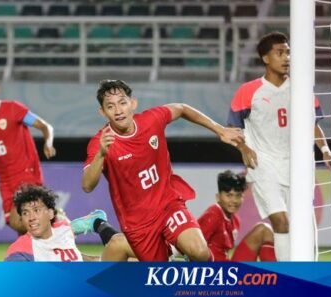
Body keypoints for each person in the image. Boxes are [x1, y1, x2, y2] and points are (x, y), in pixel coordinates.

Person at [81, 79, 244, 262]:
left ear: (133, 103)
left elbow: (181, 108)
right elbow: (87, 185)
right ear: (102, 112)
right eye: (110, 106)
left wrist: (219, 129)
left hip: (168, 205)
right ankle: (98, 242)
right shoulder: (100, 142)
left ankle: (209, 284)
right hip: (138, 225)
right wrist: (101, 154)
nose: (118, 111)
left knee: (199, 251)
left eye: (122, 103)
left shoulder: (152, 120)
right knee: (160, 276)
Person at [227, 32, 331, 261]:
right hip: (264, 164)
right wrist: (244, 149)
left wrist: (325, 150)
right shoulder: (248, 91)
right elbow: (233, 129)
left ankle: (307, 275)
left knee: (305, 225)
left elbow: (313, 124)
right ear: (266, 58)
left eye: (288, 52)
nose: (286, 57)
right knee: (281, 220)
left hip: (297, 165)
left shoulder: (302, 89)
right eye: (280, 52)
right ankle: (289, 276)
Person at [0, 71, 56, 234]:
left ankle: (59, 222)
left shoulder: (13, 109)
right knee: (18, 226)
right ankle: (51, 232)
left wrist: (48, 143)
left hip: (26, 173)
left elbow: (45, 126)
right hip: (5, 180)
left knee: (22, 221)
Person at [5, 184, 119, 262]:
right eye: (25, 213)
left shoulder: (63, 228)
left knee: (122, 247)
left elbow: (96, 218)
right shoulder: (20, 249)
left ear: (50, 213)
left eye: (36, 210)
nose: (31, 218)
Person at [198, 170, 277, 262]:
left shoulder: (235, 220)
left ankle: (275, 273)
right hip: (214, 272)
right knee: (263, 230)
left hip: (228, 268)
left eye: (238, 196)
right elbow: (193, 246)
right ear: (218, 197)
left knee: (265, 230)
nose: (234, 200)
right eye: (229, 195)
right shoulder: (213, 215)